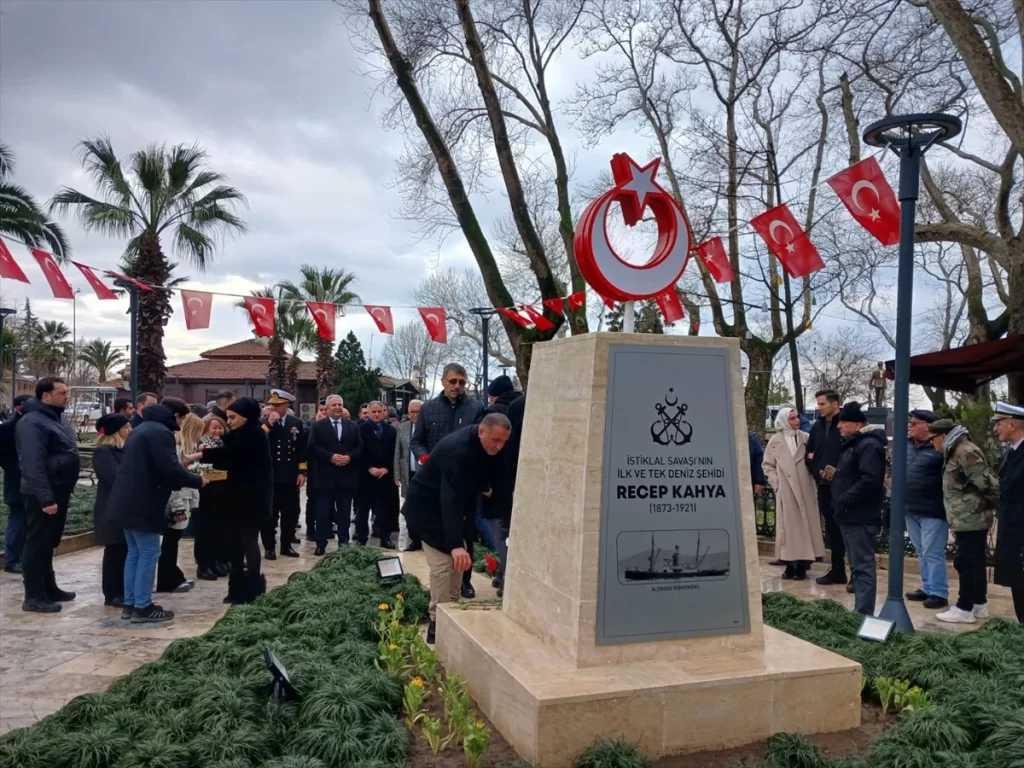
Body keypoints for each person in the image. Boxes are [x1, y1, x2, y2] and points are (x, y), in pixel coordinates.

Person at [402, 414, 512, 643]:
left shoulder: (489, 445)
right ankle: (437, 622)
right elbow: (449, 499)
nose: (499, 447)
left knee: (459, 565)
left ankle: (451, 613)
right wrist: (454, 544)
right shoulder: (457, 450)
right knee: (444, 564)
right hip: (427, 509)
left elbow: (500, 474)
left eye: (504, 442)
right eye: (496, 440)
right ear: (482, 431)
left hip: (457, 507)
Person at [106, 400, 206, 623]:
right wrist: (198, 480)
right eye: (181, 419)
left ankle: (131, 603)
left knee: (135, 553)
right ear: (176, 415)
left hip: (126, 501)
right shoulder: (160, 433)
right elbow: (169, 469)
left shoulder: (141, 428)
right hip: (143, 503)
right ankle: (143, 606)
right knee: (149, 553)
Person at [412, 363, 484, 597]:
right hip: (435, 481)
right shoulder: (429, 408)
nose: (457, 386)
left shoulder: (475, 408)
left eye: (462, 382)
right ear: (443, 381)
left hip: (464, 482)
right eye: (453, 381)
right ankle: (442, 578)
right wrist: (424, 457)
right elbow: (417, 440)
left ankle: (465, 580)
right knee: (441, 526)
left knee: (466, 532)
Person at [200, 397, 274, 603]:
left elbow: (233, 455)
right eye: (228, 417)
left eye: (233, 417)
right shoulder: (236, 435)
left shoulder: (255, 435)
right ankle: (236, 588)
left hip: (252, 500)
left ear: (246, 416)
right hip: (234, 498)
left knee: (249, 543)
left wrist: (202, 455)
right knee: (234, 545)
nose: (229, 422)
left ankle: (253, 589)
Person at [925, 419, 999, 624]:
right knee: (974, 561)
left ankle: (964, 608)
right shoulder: (955, 450)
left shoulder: (964, 451)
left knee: (965, 561)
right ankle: (978, 604)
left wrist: (976, 506)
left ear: (942, 436)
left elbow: (985, 483)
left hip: (972, 516)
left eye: (932, 439)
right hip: (965, 517)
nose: (932, 444)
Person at [16, 378, 80, 613]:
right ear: (46, 396)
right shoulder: (32, 422)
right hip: (42, 494)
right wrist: (46, 498)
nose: (67, 396)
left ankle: (49, 587)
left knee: (48, 543)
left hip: (59, 491)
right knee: (37, 543)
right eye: (62, 392)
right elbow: (33, 464)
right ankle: (33, 595)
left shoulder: (56, 419)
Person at [830, 402, 887, 616]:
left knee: (863, 566)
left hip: (859, 515)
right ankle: (859, 610)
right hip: (848, 514)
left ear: (857, 424)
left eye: (843, 422)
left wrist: (845, 499)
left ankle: (864, 612)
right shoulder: (853, 443)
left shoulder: (868, 445)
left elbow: (870, 480)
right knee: (855, 565)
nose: (840, 426)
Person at [762, 407, 825, 580]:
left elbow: (816, 460)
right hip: (787, 491)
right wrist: (777, 485)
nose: (796, 421)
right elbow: (767, 465)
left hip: (805, 489)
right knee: (789, 529)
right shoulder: (774, 441)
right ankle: (790, 564)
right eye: (792, 418)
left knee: (806, 527)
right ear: (783, 421)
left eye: (797, 417)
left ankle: (803, 564)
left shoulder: (806, 438)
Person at [902, 409, 949, 609]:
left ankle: (939, 591)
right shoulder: (906, 445)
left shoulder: (940, 447)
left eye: (914, 423)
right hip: (910, 507)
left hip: (933, 508)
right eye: (909, 423)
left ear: (928, 426)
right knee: (921, 551)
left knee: (933, 552)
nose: (910, 426)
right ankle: (927, 587)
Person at [155, 407, 204, 594]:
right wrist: (177, 507)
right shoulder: (176, 447)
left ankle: (173, 575)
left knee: (172, 541)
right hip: (177, 499)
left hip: (183, 497)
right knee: (170, 541)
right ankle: (167, 579)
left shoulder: (182, 446)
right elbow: (174, 477)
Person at [307, 394, 362, 555]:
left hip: (346, 478)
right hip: (324, 478)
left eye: (340, 404)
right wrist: (330, 457)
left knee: (345, 513)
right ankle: (320, 543)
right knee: (323, 513)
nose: (337, 407)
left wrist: (349, 457)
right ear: (328, 408)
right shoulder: (318, 426)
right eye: (334, 405)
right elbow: (313, 447)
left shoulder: (352, 426)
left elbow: (360, 446)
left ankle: (343, 543)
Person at [806, 389, 847, 587]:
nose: (818, 408)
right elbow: (810, 453)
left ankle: (856, 573)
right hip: (824, 486)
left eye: (822, 404)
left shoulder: (845, 424)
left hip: (844, 487)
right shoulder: (817, 427)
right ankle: (837, 570)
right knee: (831, 529)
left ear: (835, 403)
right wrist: (816, 469)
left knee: (847, 529)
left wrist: (838, 472)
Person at [260, 389, 306, 560]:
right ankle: (269, 547)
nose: (275, 408)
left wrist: (302, 471)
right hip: (271, 476)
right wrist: (269, 423)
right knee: (270, 515)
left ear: (287, 405)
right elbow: (259, 440)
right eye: (273, 405)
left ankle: (286, 546)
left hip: (290, 475)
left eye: (278, 405)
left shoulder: (296, 423)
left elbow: (301, 449)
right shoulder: (264, 423)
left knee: (290, 514)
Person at [92, 413, 132, 607]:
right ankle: (112, 593)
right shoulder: (104, 452)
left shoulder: (124, 450)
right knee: (114, 550)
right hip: (111, 508)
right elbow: (115, 478)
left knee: (124, 549)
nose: (129, 431)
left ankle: (123, 589)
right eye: (126, 428)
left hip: (124, 507)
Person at [991, 401, 1024, 623]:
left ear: (1012, 424)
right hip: (1013, 527)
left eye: (998, 423)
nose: (995, 429)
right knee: (1016, 581)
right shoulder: (1013, 452)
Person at [358, 401, 400, 548]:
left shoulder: (391, 430)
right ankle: (361, 537)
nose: (376, 414)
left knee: (385, 509)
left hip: (385, 477)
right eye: (373, 412)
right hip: (366, 477)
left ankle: (385, 537)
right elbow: (359, 452)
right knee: (363, 509)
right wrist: (369, 468)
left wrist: (387, 468)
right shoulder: (360, 429)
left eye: (379, 411)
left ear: (384, 412)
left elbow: (395, 452)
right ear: (368, 413)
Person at [195, 414, 230, 580]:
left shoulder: (225, 444)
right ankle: (204, 565)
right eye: (214, 427)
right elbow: (201, 471)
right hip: (207, 493)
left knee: (220, 529)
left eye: (220, 427)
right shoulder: (202, 446)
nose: (217, 431)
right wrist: (224, 474)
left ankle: (218, 560)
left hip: (223, 493)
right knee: (206, 530)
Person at [0, 395, 32, 574]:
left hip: (30, 481)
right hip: (16, 482)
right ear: (19, 408)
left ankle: (21, 556)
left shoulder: (30, 426)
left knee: (27, 522)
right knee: (17, 520)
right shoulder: (7, 429)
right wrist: (19, 469)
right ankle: (12, 559)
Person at [394, 398, 423, 551]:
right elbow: (398, 452)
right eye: (412, 411)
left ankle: (424, 538)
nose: (415, 414)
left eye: (418, 411)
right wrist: (396, 475)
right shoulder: (403, 428)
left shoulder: (428, 427)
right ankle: (415, 538)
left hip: (424, 476)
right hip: (408, 474)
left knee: (422, 508)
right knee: (408, 509)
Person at [304, 400, 328, 541]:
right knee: (312, 501)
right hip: (314, 470)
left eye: (326, 410)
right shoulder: (310, 424)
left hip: (328, 471)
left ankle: (325, 529)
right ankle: (310, 529)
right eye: (322, 410)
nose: (324, 413)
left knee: (326, 502)